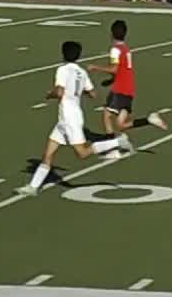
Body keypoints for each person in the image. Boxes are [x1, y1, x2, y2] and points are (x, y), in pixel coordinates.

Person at [16, 41, 135, 197]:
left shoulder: (62, 70)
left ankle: (118, 142)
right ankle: (33, 187)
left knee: (82, 153)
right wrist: (77, 91)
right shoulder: (81, 72)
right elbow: (93, 94)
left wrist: (49, 94)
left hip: (68, 117)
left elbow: (59, 92)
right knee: (48, 153)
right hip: (68, 117)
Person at [87, 20, 168, 147]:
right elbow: (122, 69)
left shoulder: (115, 50)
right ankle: (148, 120)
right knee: (120, 124)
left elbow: (115, 69)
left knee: (107, 115)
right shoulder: (125, 49)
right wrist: (111, 80)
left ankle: (111, 144)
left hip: (120, 89)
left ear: (111, 34)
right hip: (129, 88)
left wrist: (95, 67)